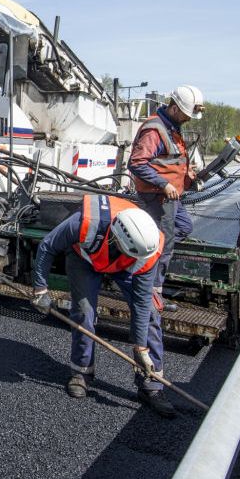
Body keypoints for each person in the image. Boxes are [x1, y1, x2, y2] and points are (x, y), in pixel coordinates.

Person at [30, 194, 176, 418]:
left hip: (125, 266)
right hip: (84, 259)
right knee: (84, 311)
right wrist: (40, 289)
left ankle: (151, 384)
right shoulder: (84, 222)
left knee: (150, 314)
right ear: (115, 238)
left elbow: (141, 303)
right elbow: (47, 246)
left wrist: (140, 349)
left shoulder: (148, 249)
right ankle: (81, 373)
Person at [128, 85, 205, 314]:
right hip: (157, 196)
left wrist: (185, 174)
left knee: (183, 227)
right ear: (174, 108)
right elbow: (137, 163)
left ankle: (146, 280)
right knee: (161, 244)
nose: (188, 119)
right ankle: (151, 296)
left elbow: (168, 161)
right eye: (186, 114)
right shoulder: (155, 130)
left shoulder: (172, 127)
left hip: (171, 197)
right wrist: (164, 184)